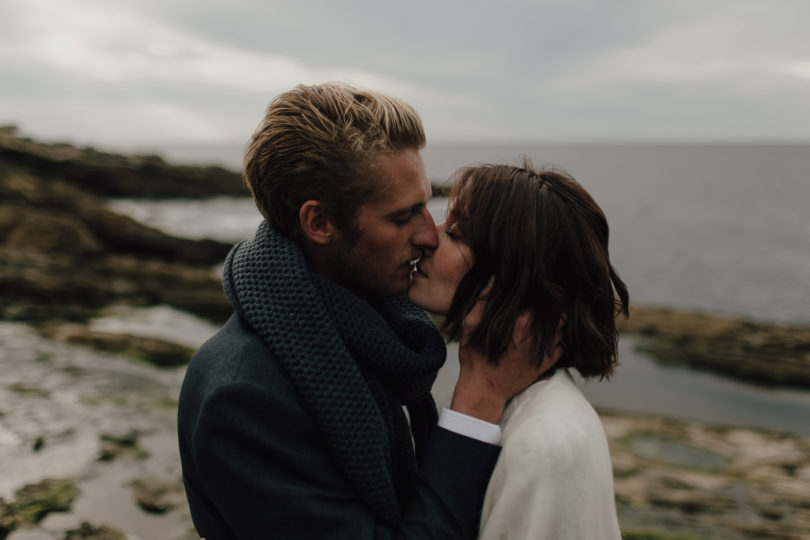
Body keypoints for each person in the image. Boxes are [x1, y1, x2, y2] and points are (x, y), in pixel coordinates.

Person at [177, 83, 545, 539]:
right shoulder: (243, 399)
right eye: (401, 216)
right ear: (319, 223)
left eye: (427, 205)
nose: (431, 235)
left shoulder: (376, 333)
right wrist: (480, 395)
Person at [408, 161, 629, 539]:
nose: (429, 236)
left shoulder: (546, 446)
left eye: (457, 234)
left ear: (515, 281)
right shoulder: (526, 411)